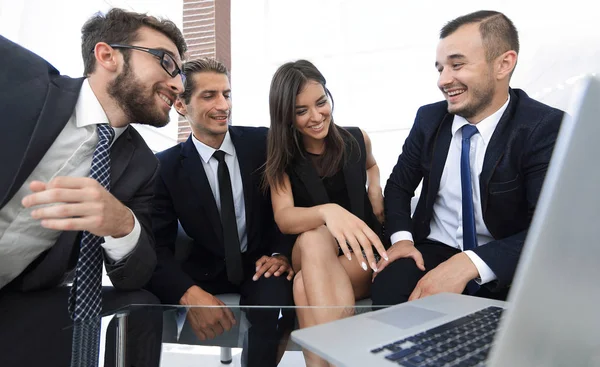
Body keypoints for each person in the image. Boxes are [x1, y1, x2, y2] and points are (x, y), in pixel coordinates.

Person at [0, 8, 187, 367]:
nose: (179, 84)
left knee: (143, 308)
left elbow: (135, 273)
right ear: (107, 56)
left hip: (12, 300)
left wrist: (123, 224)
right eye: (167, 62)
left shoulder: (143, 166)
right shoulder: (21, 77)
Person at [371, 10, 565, 306]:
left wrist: (468, 264)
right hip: (434, 247)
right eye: (439, 69)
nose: (443, 80)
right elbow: (398, 186)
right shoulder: (429, 119)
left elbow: (549, 229)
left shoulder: (543, 128)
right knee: (390, 285)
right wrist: (402, 241)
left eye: (457, 65)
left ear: (503, 64)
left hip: (502, 255)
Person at [146, 58, 295, 367]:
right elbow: (156, 246)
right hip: (203, 270)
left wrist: (282, 254)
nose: (223, 104)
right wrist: (187, 292)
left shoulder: (262, 143)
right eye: (209, 95)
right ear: (180, 105)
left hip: (261, 264)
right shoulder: (165, 167)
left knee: (270, 305)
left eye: (226, 94)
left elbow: (292, 205)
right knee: (145, 301)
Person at [264, 59, 389, 367]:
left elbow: (372, 165)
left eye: (321, 103)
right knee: (313, 237)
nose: (317, 116)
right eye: (301, 110)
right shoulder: (284, 156)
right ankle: (347, 357)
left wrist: (374, 185)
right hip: (309, 249)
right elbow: (284, 217)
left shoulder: (357, 138)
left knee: (303, 284)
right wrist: (327, 212)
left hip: (361, 254)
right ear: (287, 116)